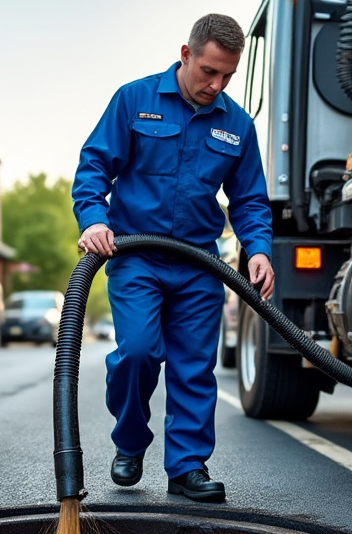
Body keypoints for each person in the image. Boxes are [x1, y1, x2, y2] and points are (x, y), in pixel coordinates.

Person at [72, 14, 275, 503]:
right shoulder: (134, 100)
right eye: (209, 71)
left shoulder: (236, 124)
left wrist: (259, 251)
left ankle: (187, 466)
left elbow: (248, 200)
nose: (217, 84)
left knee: (193, 366)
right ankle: (130, 441)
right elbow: (94, 166)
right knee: (138, 352)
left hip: (199, 263)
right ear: (186, 54)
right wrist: (94, 221)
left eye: (227, 75)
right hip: (136, 256)